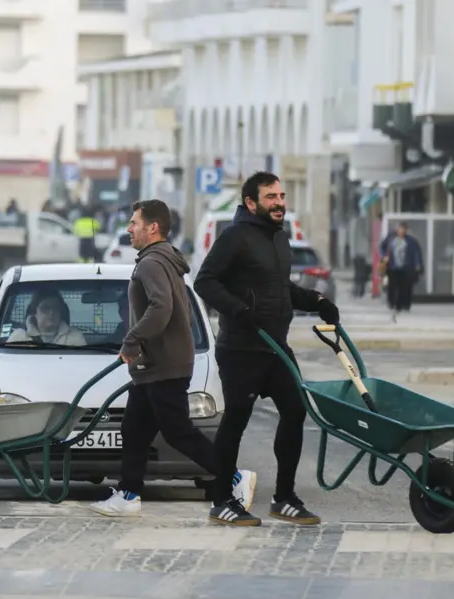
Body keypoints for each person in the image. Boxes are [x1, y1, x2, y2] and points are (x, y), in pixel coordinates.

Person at [91, 200, 256, 517]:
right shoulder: (164, 259)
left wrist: (132, 339)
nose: (129, 228)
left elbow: (161, 307)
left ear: (152, 227)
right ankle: (128, 495)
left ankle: (234, 477)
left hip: (163, 364)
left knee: (178, 432)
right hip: (156, 365)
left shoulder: (152, 263)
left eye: (134, 222)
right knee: (134, 429)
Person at [194, 171, 340, 527]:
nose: (279, 203)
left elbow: (279, 287)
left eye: (281, 196)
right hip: (242, 349)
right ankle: (222, 501)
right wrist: (237, 309)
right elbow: (205, 281)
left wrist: (316, 300)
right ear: (251, 202)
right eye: (271, 197)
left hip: (276, 348)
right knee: (236, 422)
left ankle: (284, 498)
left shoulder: (279, 240)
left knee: (295, 412)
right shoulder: (235, 238)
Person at [6, 289, 88, 346]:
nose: (51, 312)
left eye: (55, 308)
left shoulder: (75, 337)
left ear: (61, 312)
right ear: (35, 312)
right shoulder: (19, 337)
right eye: (45, 308)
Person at [377, 222, 423, 322]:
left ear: (406, 230)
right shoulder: (390, 239)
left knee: (404, 287)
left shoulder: (410, 241)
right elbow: (382, 247)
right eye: (400, 229)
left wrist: (417, 264)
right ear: (397, 229)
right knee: (391, 286)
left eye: (403, 229)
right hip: (392, 266)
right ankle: (391, 303)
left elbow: (415, 253)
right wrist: (384, 256)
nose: (401, 231)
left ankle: (403, 305)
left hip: (405, 267)